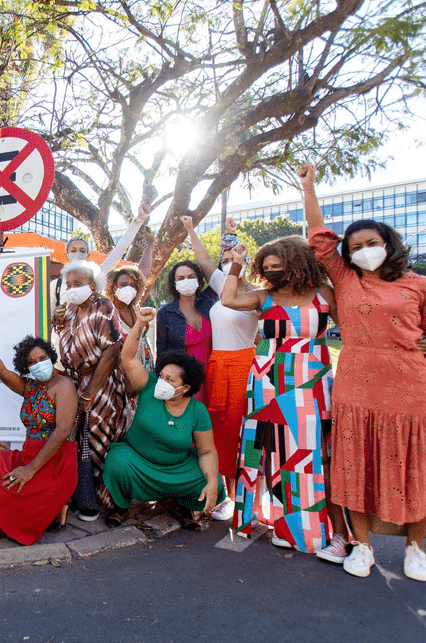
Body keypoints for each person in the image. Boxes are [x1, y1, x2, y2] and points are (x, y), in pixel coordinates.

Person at [303, 164, 426, 581]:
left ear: (388, 244)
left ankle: (415, 547)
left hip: (409, 385)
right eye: (354, 246)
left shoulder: (418, 284)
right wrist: (309, 187)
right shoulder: (345, 278)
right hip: (355, 383)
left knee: (412, 463)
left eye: (371, 242)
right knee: (353, 463)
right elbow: (319, 238)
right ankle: (362, 546)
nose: (362, 250)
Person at [221, 237, 340, 554]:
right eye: (267, 267)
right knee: (263, 448)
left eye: (279, 266)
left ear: (298, 263)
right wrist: (236, 262)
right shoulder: (264, 297)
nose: (272, 272)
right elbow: (228, 299)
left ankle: (304, 527)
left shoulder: (324, 293)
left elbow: (354, 328)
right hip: (265, 376)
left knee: (306, 452)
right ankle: (264, 516)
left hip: (311, 378)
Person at [102, 309, 224, 528]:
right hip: (138, 461)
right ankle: (124, 505)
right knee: (117, 461)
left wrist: (213, 481)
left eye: (170, 380)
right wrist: (139, 324)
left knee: (211, 482)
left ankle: (180, 504)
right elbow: (127, 357)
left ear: (186, 387)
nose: (162, 382)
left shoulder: (197, 411)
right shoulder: (149, 388)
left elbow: (207, 451)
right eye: (162, 376)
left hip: (176, 468)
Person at [0, 330, 78, 544]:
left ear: (51, 357)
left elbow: (62, 431)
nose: (39, 364)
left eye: (43, 358)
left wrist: (30, 469)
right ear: (27, 367)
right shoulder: (30, 387)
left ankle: (59, 505)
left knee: (16, 500)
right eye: (32, 362)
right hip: (28, 456)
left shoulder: (64, 385)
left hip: (55, 461)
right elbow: (3, 373)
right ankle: (51, 507)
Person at [180, 216, 258, 522]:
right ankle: (228, 494)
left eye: (233, 259)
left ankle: (249, 496)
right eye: (224, 260)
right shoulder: (223, 285)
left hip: (243, 366)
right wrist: (190, 230)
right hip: (216, 367)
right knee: (220, 431)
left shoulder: (255, 294)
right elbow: (203, 259)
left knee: (243, 431)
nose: (226, 264)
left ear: (245, 262)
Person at [55, 260, 131, 520]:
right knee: (79, 441)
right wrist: (58, 322)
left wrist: (90, 392)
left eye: (77, 284)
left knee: (100, 438)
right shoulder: (71, 311)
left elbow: (111, 353)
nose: (72, 289)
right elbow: (67, 344)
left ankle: (106, 501)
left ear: (91, 284)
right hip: (75, 382)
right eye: (69, 285)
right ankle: (83, 495)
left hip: (101, 383)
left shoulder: (104, 307)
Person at [156, 260, 216, 404]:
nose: (186, 281)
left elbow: (219, 273)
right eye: (181, 278)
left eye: (191, 277)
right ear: (174, 283)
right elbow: (162, 352)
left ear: (198, 279)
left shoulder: (210, 305)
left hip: (215, 375)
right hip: (186, 381)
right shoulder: (166, 313)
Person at [104, 265, 153, 370]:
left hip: (145, 365)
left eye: (133, 285)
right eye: (123, 284)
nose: (128, 288)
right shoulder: (107, 314)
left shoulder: (137, 310)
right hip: (123, 370)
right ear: (113, 287)